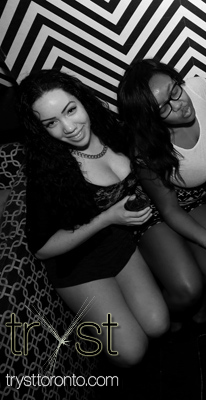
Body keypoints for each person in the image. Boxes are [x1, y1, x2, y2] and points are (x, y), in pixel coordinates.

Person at [16, 70, 169, 366]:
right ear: (40, 129)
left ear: (82, 100)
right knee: (131, 351)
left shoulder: (111, 130)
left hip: (116, 243)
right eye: (51, 123)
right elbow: (42, 248)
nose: (69, 127)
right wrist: (107, 217)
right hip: (76, 262)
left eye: (70, 110)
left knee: (158, 324)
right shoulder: (47, 170)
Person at [117, 60, 206, 328]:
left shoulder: (199, 91)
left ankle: (201, 301)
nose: (179, 103)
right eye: (164, 108)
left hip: (196, 199)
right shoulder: (145, 146)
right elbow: (169, 209)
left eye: (174, 90)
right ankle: (167, 313)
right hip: (153, 211)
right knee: (187, 289)